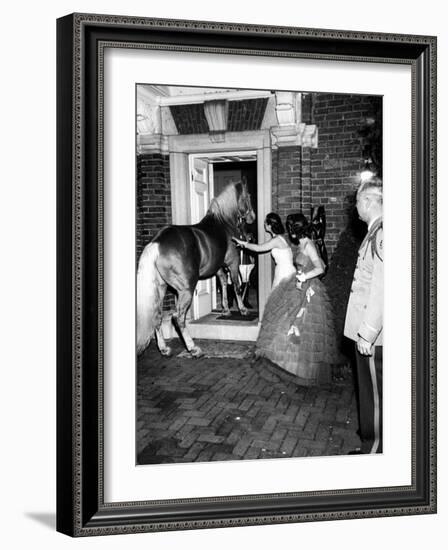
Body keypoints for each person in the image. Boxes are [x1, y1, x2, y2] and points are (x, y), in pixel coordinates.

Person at [235, 212, 343, 386]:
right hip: (298, 285)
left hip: (310, 290)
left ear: (295, 228)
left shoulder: (308, 244)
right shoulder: (301, 243)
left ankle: (305, 371)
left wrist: (303, 277)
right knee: (290, 325)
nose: (289, 230)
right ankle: (289, 364)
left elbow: (321, 267)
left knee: (305, 329)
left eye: (290, 226)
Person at [344, 177, 383, 454]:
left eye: (358, 201)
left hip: (374, 336)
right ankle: (370, 442)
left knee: (376, 397)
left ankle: (375, 453)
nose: (355, 207)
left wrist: (367, 332)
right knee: (370, 393)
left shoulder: (381, 233)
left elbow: (382, 286)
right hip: (370, 333)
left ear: (368, 201)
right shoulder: (375, 232)